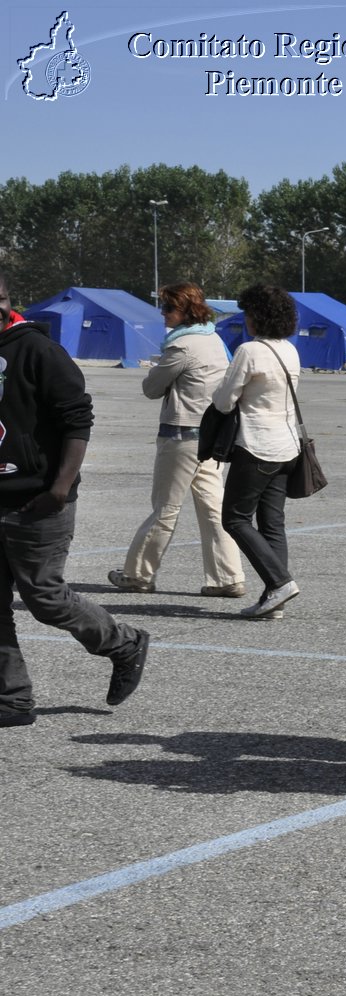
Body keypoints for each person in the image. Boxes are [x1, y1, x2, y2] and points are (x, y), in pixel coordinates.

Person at [0, 271, 150, 726]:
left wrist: (59, 489)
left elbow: (77, 421)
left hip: (38, 500)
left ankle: (123, 643)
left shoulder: (39, 351)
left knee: (44, 595)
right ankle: (13, 699)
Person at [108, 282, 246, 598]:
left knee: (165, 509)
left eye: (169, 308)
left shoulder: (181, 346)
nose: (163, 313)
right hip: (212, 437)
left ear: (186, 310)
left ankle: (138, 575)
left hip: (182, 436)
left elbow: (151, 388)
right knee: (214, 509)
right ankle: (228, 578)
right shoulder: (213, 339)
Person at [212, 284, 303, 620]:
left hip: (256, 446)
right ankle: (273, 597)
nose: (245, 319)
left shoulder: (249, 351)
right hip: (287, 445)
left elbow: (224, 401)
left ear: (257, 316)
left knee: (234, 518)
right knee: (272, 523)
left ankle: (280, 582)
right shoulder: (290, 351)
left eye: (248, 312)